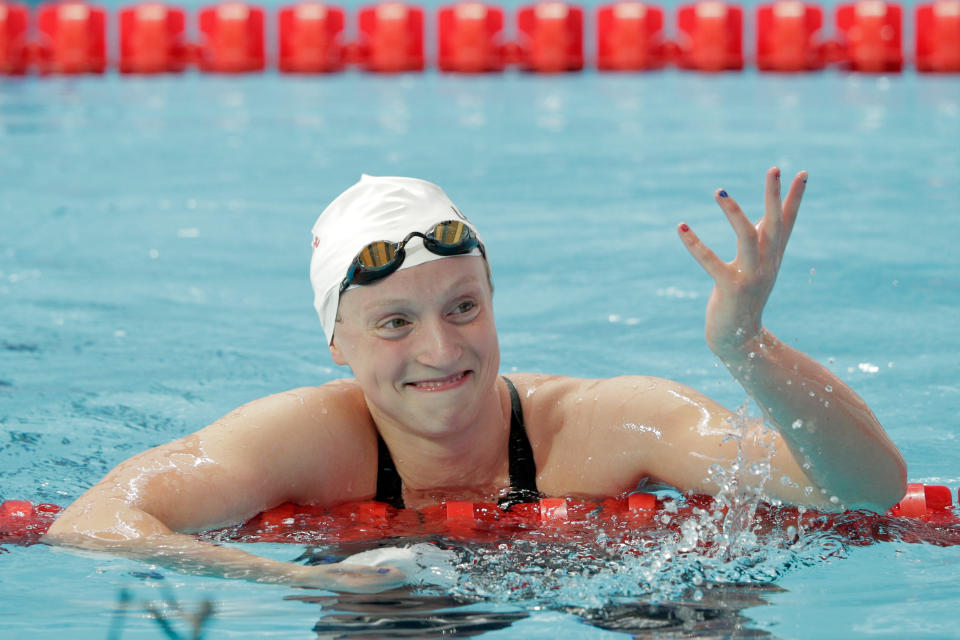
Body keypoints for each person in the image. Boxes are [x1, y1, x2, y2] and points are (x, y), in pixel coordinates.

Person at [44, 169, 906, 593]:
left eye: (462, 307)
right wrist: (311, 582)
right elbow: (91, 524)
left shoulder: (611, 423)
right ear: (337, 345)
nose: (439, 350)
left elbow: (867, 493)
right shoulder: (304, 438)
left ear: (493, 302)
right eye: (394, 322)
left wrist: (747, 346)